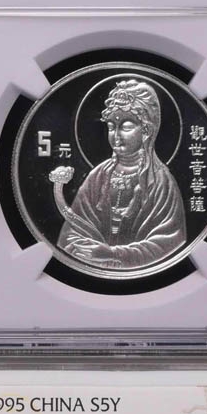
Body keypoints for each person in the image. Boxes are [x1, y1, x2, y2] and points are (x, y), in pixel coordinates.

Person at [57, 78, 186, 270]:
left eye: (126, 127)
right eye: (111, 127)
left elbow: (167, 244)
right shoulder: (98, 176)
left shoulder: (160, 181)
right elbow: (71, 234)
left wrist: (112, 254)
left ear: (146, 130)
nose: (116, 136)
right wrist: (85, 250)